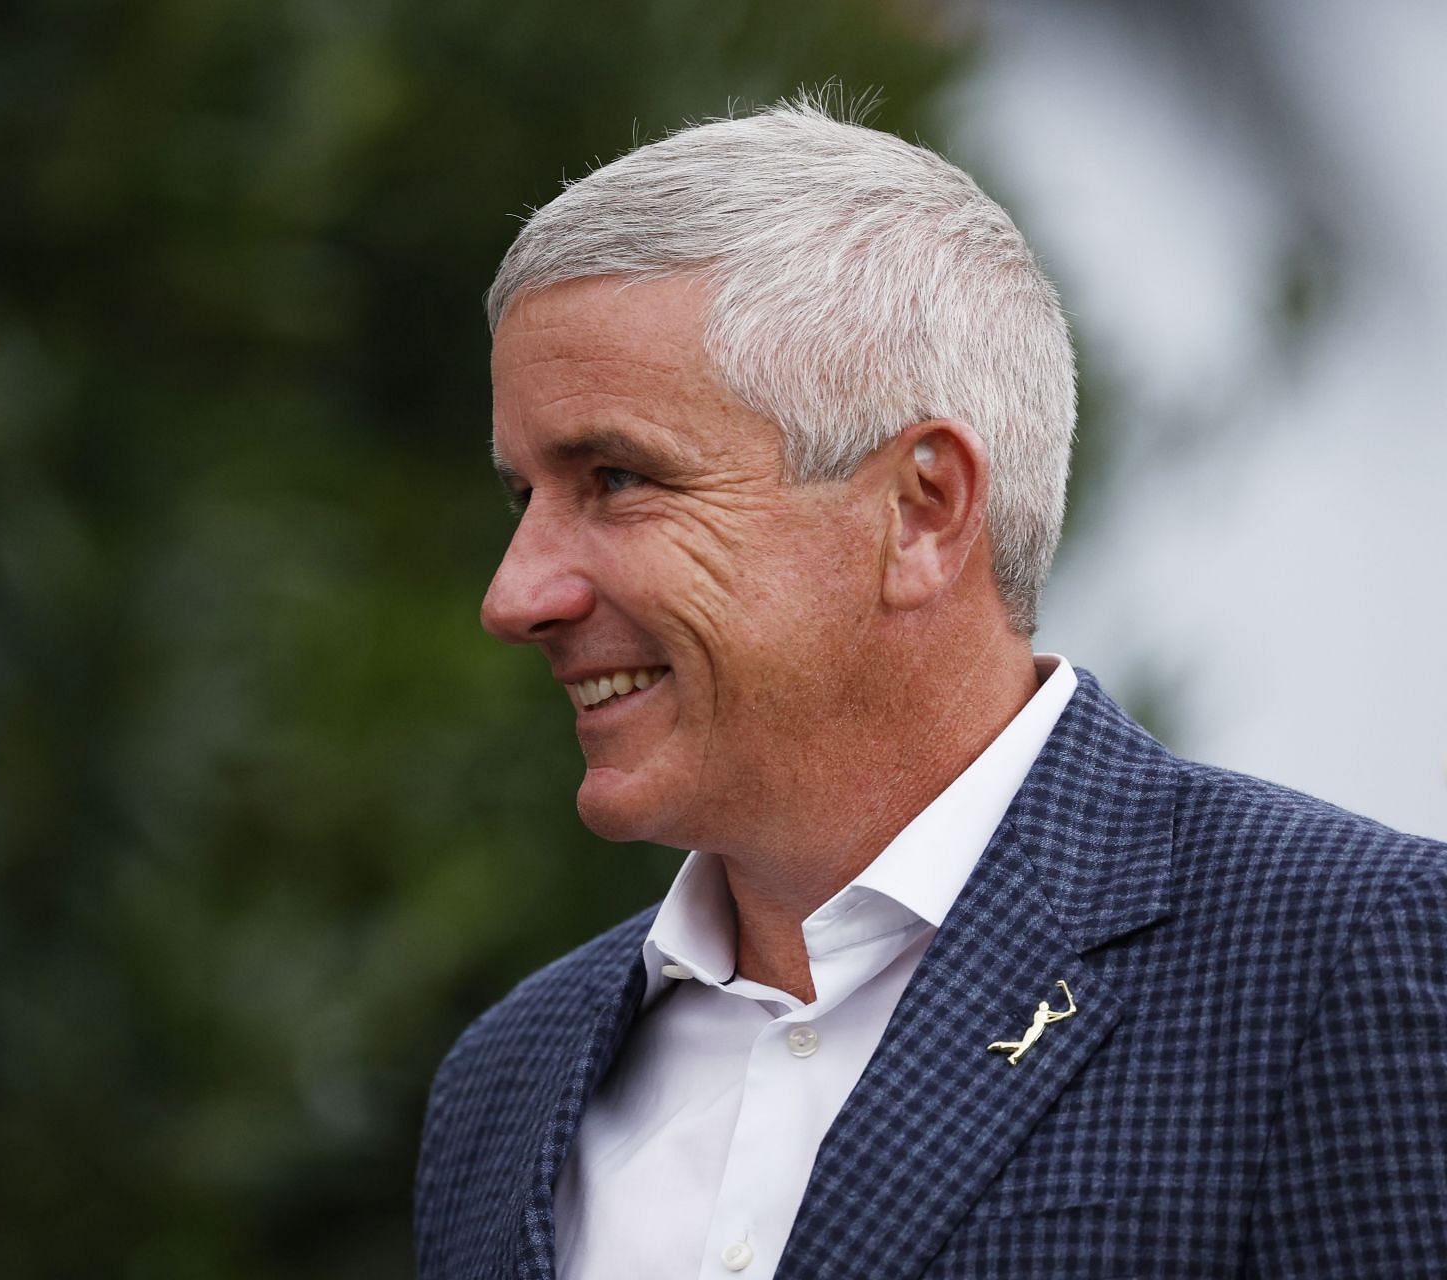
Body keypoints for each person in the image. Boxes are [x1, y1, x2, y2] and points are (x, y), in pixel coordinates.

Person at [413, 96, 1447, 1280]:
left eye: (617, 477)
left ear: (921, 509)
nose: (517, 592)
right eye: (523, 498)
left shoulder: (1353, 958)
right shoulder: (506, 1077)